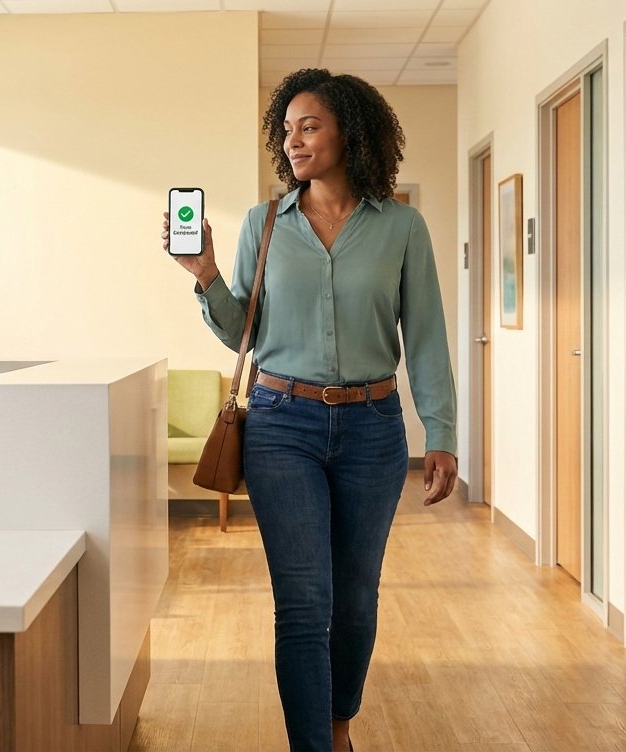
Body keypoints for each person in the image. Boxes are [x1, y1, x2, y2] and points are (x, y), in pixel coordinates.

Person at [163, 69, 457, 751]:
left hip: (373, 429)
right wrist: (205, 274)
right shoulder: (264, 224)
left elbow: (428, 335)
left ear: (348, 132)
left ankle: (338, 723)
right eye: (286, 130)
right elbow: (246, 330)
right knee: (303, 604)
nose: (293, 141)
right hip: (279, 425)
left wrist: (440, 432)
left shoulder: (402, 228)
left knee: (354, 602)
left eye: (309, 126)